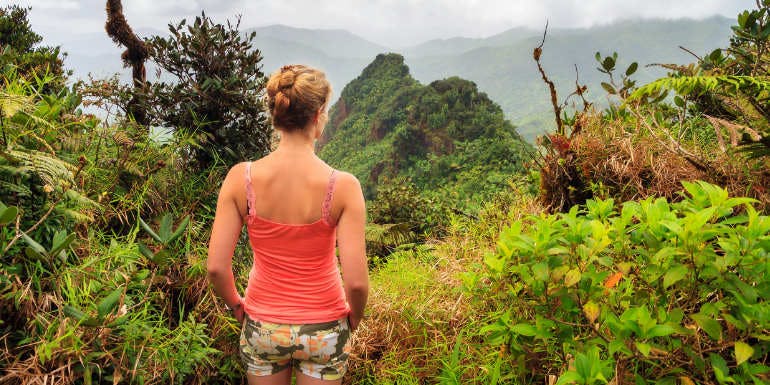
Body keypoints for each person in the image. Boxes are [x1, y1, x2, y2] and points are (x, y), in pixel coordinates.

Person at [207, 64, 369, 385]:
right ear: (318, 114)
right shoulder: (344, 186)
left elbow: (215, 268)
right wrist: (354, 319)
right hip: (325, 326)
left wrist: (238, 306)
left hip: (263, 323)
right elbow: (357, 284)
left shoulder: (242, 178)